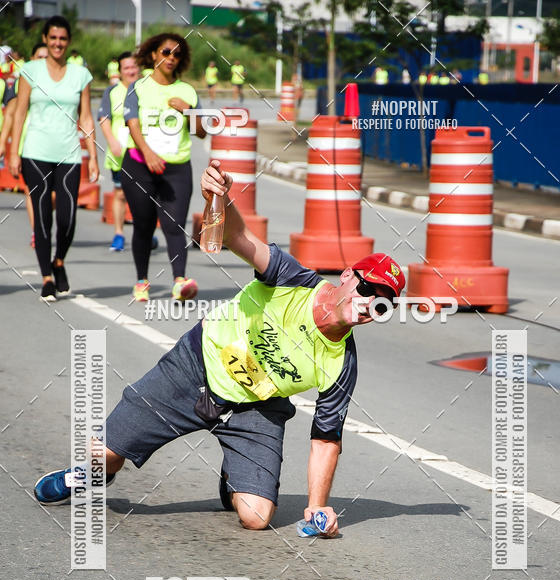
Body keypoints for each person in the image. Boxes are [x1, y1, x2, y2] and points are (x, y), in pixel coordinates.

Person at [33, 160, 406, 537]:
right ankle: (90, 476)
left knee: (256, 517)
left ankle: (235, 477)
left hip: (258, 404)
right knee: (104, 458)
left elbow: (325, 439)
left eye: (382, 303)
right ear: (347, 276)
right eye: (367, 289)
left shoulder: (343, 363)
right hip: (197, 366)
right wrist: (223, 198)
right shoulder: (294, 279)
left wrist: (315, 507)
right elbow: (239, 238)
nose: (369, 303)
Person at [8, 16, 98, 302]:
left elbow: (85, 116)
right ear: (45, 39)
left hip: (69, 152)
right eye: (53, 38)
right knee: (43, 213)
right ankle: (47, 276)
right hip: (35, 152)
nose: (57, 43)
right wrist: (13, 151)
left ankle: (59, 260)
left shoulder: (80, 74)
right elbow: (20, 112)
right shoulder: (30, 70)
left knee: (68, 218)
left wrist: (93, 155)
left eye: (62, 39)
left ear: (68, 42)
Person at [120, 33, 206, 303]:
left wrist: (189, 111)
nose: (171, 58)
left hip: (176, 168)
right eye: (166, 52)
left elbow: (202, 132)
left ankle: (180, 282)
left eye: (177, 54)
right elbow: (132, 123)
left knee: (175, 225)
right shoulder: (138, 87)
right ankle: (142, 281)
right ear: (154, 54)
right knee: (144, 225)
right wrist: (148, 154)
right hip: (139, 165)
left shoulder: (187, 91)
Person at [0, 43, 49, 249]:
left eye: (46, 57)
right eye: (39, 56)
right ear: (31, 58)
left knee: (52, 195)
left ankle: (45, 218)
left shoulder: (63, 81)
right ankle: (37, 231)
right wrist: (5, 143)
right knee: (32, 191)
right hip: (28, 144)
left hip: (56, 145)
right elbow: (11, 113)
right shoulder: (24, 81)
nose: (43, 61)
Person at [97, 51, 140, 252]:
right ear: (120, 71)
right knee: (120, 193)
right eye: (126, 68)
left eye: (133, 67)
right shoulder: (112, 92)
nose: (130, 71)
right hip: (119, 152)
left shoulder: (145, 90)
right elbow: (104, 118)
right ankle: (119, 234)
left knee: (143, 197)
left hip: (143, 153)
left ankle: (143, 233)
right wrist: (112, 142)